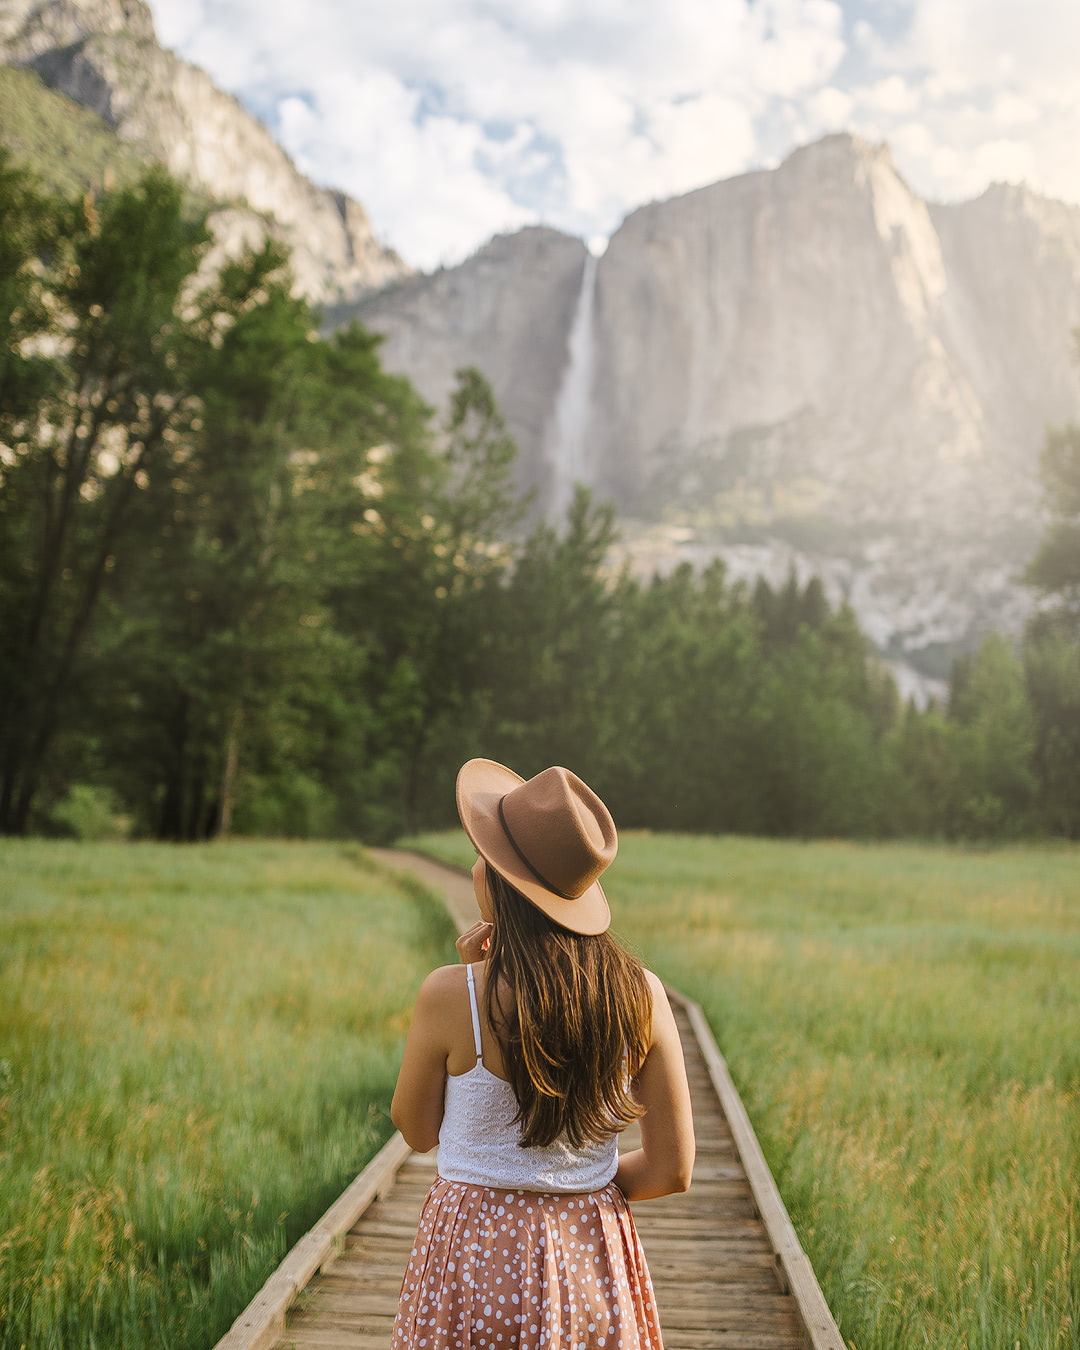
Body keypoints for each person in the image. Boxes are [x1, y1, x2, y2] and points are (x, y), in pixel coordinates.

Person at [390, 758, 696, 1350]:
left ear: (503, 880)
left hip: (471, 1263)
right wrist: (581, 1186)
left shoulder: (452, 994)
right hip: (590, 1257)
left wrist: (476, 979)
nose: (475, 865)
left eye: (484, 853)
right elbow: (671, 1170)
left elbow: (417, 1129)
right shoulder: (643, 995)